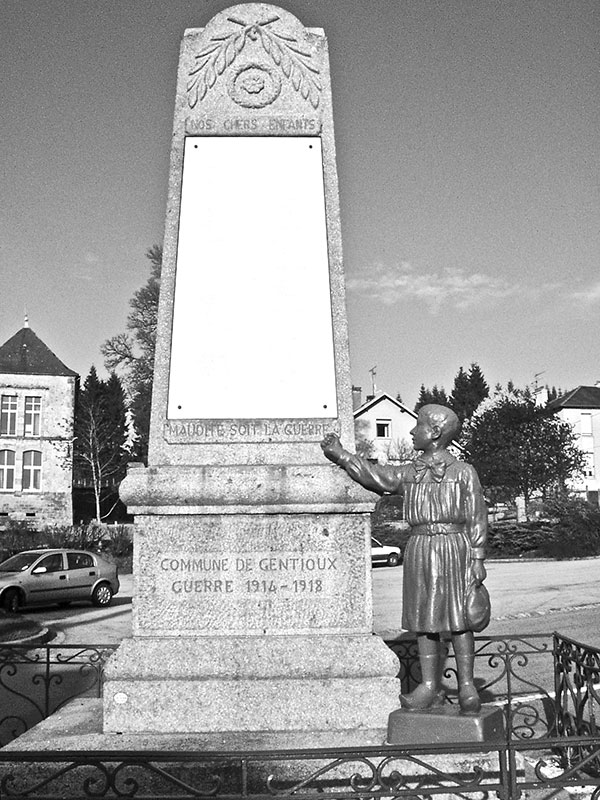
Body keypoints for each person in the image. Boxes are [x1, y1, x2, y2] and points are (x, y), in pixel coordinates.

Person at [321, 404, 488, 714]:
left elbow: (478, 516)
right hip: (420, 549)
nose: (412, 432)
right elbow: (376, 476)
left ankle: (467, 687)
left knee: (460, 619)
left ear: (435, 433)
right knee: (424, 619)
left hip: (455, 547)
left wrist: (477, 557)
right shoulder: (409, 472)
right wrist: (342, 456)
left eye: (418, 426)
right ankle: (428, 685)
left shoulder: (464, 471)